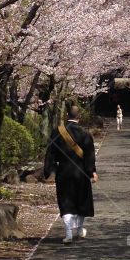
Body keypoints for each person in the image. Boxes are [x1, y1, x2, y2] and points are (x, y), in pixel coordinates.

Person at [44, 100, 97, 243]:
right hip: (81, 173)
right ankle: (79, 229)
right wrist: (92, 171)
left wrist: (48, 170)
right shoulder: (86, 134)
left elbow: (50, 153)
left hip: (64, 172)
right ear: (79, 117)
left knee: (66, 201)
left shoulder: (57, 132)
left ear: (67, 115)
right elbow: (90, 155)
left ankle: (68, 233)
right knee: (81, 200)